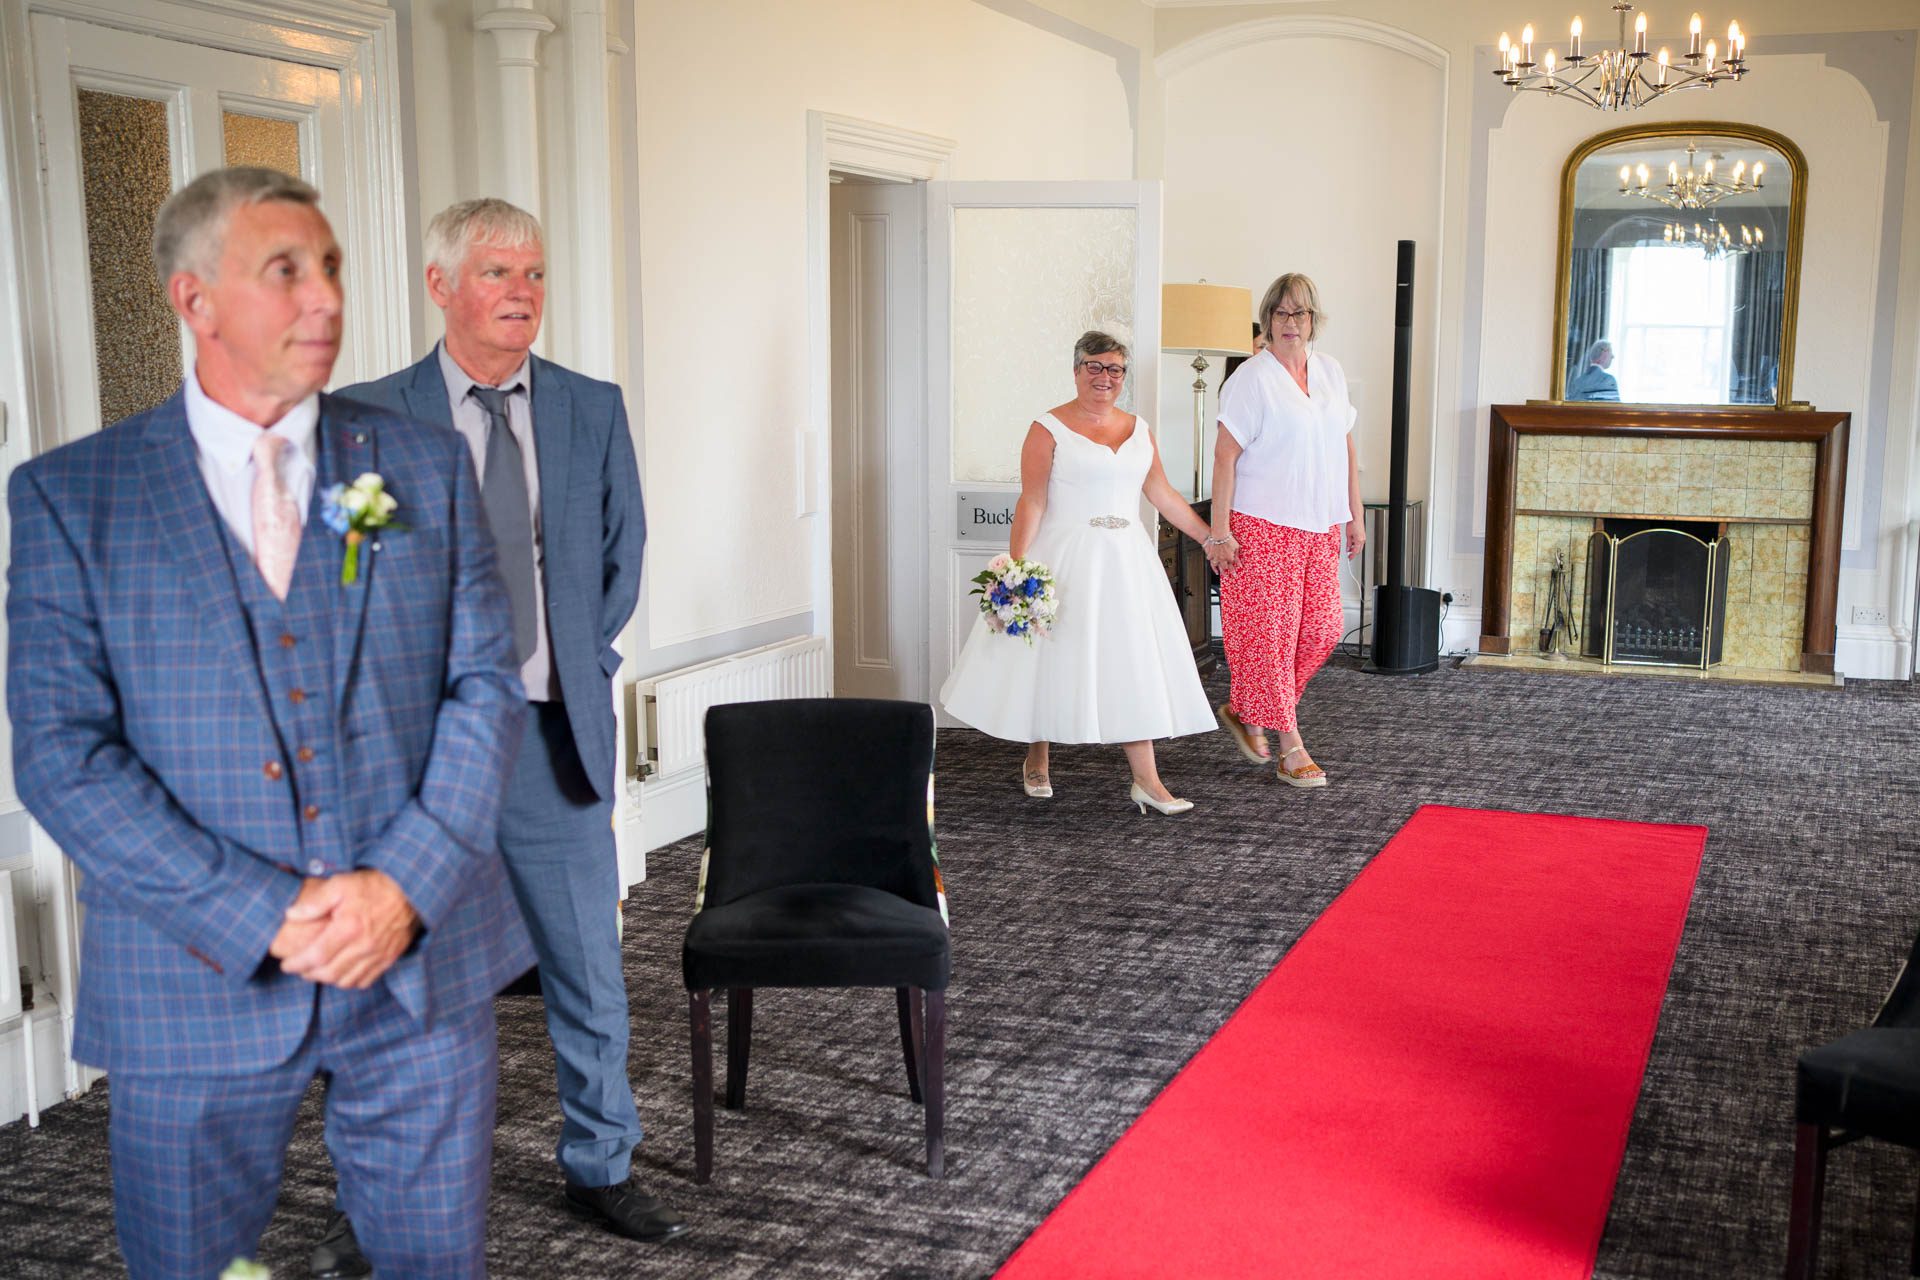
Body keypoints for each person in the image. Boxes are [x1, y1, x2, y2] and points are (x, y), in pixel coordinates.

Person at [5, 166, 532, 1278]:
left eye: (331, 266)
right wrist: (266, 911)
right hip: (192, 975)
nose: (326, 298)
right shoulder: (72, 496)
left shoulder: (420, 465)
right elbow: (61, 753)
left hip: (418, 964)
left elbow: (482, 686)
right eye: (285, 270)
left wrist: (404, 885)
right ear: (195, 300)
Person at [312, 197, 676, 1275]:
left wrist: (571, 659)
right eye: (497, 272)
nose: (522, 291)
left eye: (535, 272)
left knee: (587, 965)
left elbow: (621, 556)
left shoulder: (588, 407)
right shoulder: (366, 416)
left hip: (551, 737)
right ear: (440, 286)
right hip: (413, 755)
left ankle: (601, 1162)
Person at [939, 331, 1217, 815]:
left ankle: (1147, 781)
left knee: (1130, 659)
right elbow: (1032, 500)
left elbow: (1164, 494)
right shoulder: (1047, 428)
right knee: (1049, 658)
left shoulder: (1139, 429)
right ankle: (1037, 754)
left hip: (1127, 561)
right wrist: (1016, 568)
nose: (1104, 377)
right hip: (1065, 556)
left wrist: (1210, 538)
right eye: (1094, 366)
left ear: (1123, 377)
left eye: (1114, 369)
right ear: (1076, 370)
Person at [1209, 273, 1363, 788]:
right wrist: (1219, 531)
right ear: (1267, 320)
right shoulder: (1250, 379)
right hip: (1260, 525)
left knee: (1322, 631)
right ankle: (1290, 743)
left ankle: (1249, 711)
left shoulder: (1332, 373)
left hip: (1318, 525)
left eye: (1300, 313)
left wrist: (1354, 515)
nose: (1290, 323)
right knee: (1269, 639)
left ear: (1314, 321)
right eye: (1280, 313)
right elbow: (1224, 458)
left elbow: (1345, 448)